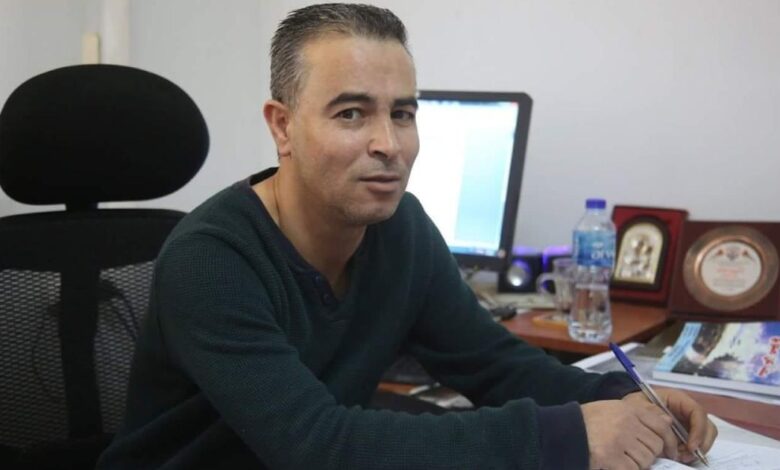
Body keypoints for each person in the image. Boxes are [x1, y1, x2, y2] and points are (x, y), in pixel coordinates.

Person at [98, 3, 717, 469]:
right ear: (282, 127)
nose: (389, 144)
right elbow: (316, 445)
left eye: (402, 113)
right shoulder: (211, 258)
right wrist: (568, 436)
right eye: (351, 113)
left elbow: (495, 365)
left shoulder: (401, 228)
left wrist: (624, 396)